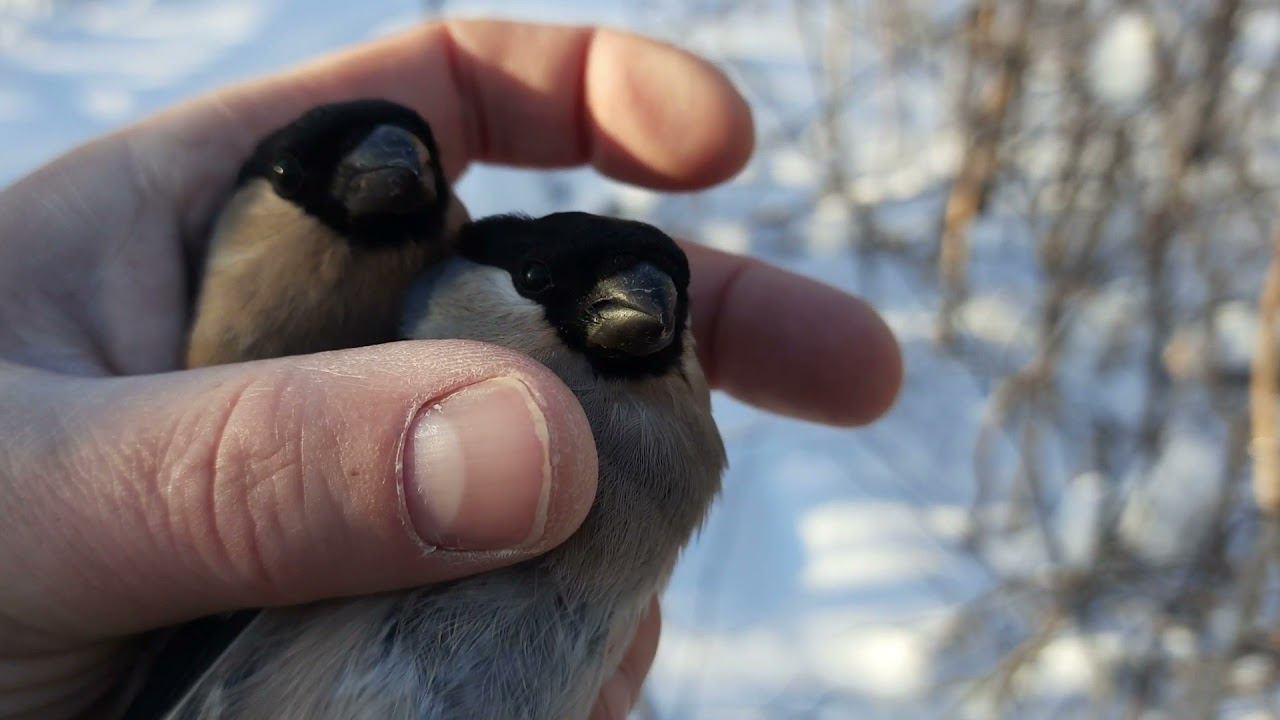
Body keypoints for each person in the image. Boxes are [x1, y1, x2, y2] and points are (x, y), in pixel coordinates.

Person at [0, 19, 903, 720]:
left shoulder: (660, 452)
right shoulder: (379, 418)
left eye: (664, 298)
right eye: (544, 286)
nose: (638, 306)